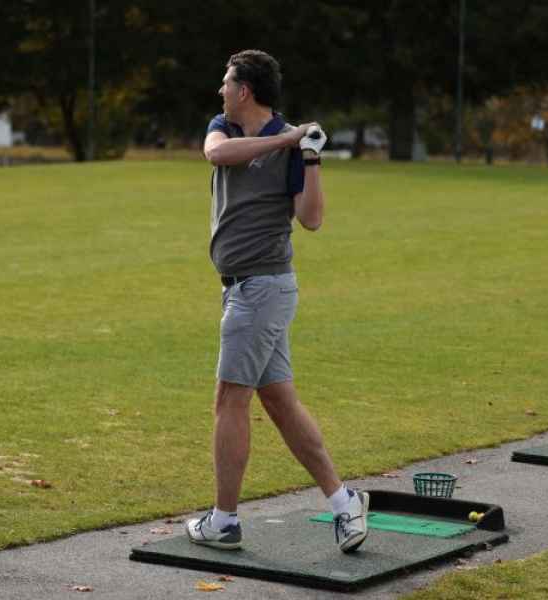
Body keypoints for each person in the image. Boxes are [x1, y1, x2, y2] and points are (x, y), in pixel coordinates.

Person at [184, 49, 368, 553]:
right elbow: (217, 155)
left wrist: (309, 157)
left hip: (261, 289)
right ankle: (345, 501)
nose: (220, 90)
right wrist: (287, 140)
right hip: (247, 290)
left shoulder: (293, 146)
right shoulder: (224, 127)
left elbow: (311, 219)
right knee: (280, 403)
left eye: (226, 82)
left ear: (244, 90)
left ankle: (224, 521)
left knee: (229, 400)